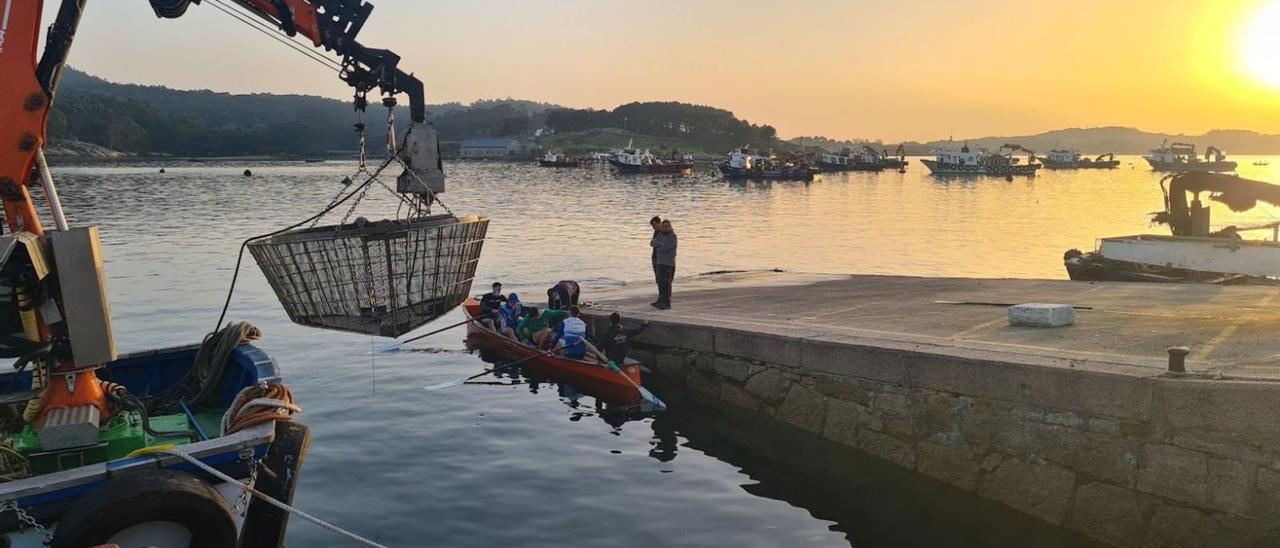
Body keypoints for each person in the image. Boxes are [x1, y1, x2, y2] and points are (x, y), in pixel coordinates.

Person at [651, 220, 677, 309]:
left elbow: (665, 248)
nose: (665, 228)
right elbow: (652, 243)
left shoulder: (673, 237)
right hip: (660, 262)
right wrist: (660, 244)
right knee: (660, 282)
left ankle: (667, 303)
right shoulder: (660, 234)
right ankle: (661, 300)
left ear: (670, 227)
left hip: (668, 264)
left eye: (667, 227)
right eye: (664, 227)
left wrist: (659, 245)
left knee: (666, 283)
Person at [649, 216, 662, 290]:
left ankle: (664, 297)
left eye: (654, 225)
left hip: (661, 258)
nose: (653, 227)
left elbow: (662, 244)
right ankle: (660, 296)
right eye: (652, 225)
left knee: (662, 279)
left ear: (659, 223)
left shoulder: (663, 232)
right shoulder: (655, 232)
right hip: (655, 256)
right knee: (657, 278)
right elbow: (652, 243)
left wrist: (655, 243)